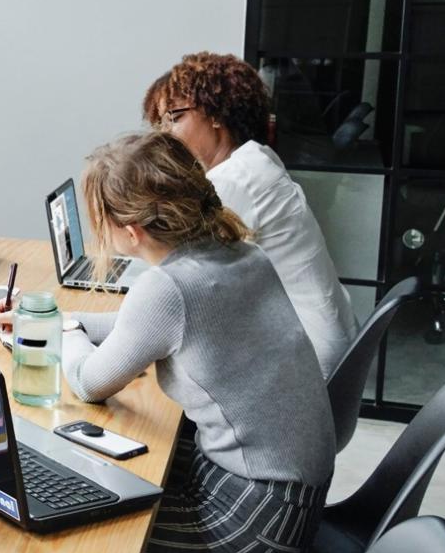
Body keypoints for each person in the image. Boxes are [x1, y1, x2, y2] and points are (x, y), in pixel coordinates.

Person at [0, 132, 335, 553]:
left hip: (255, 532)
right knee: (97, 474)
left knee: (60, 523)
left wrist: (62, 333)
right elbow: (139, 325)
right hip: (293, 502)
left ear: (130, 231)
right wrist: (56, 319)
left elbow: (87, 381)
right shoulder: (242, 254)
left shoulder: (168, 290)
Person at [144, 52, 356, 378]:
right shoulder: (256, 158)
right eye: (160, 123)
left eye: (174, 117)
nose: (165, 134)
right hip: (320, 340)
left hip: (307, 363)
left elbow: (176, 279)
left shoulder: (236, 180)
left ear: (215, 114)